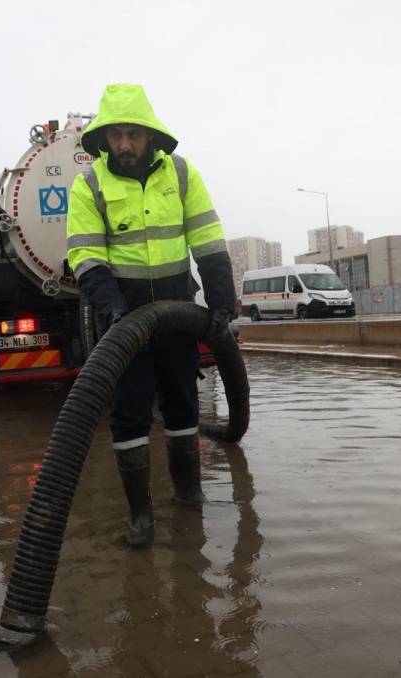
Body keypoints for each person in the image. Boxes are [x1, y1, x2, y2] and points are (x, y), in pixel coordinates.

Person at [66, 83, 236, 548]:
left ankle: (188, 495)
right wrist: (113, 308)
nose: (124, 144)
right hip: (123, 320)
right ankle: (141, 517)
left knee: (183, 401)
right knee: (130, 410)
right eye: (116, 135)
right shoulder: (90, 184)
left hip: (179, 314)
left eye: (132, 135)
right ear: (104, 139)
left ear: (149, 135)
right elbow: (85, 256)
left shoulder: (180, 174)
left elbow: (208, 240)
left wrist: (222, 304)